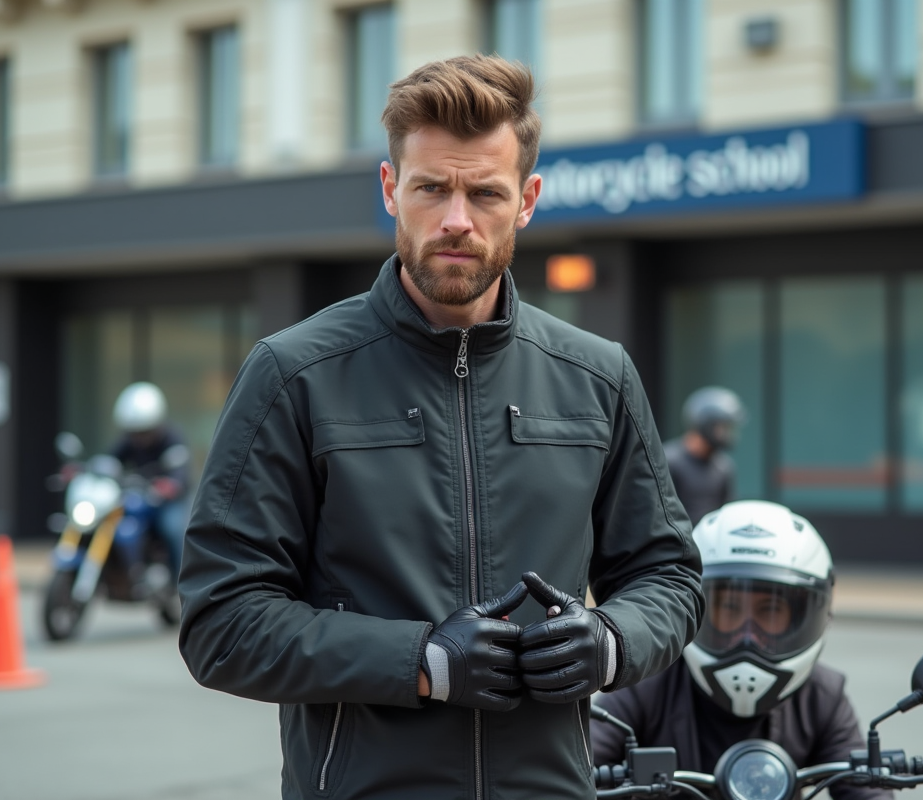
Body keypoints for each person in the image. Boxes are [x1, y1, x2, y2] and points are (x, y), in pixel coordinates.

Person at [177, 54, 704, 800]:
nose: (457, 220)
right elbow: (221, 623)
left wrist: (613, 641)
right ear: (391, 189)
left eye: (485, 192)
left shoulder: (598, 375)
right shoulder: (294, 374)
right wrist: (421, 661)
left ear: (527, 200)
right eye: (431, 188)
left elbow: (669, 575)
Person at [591, 500, 893, 800]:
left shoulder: (822, 696)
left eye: (770, 611)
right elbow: (583, 769)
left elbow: (868, 793)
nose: (748, 637)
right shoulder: (647, 683)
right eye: (730, 609)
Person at [109, 381, 190, 579]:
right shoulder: (129, 440)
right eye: (134, 432)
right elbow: (110, 459)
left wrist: (171, 485)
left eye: (144, 432)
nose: (138, 438)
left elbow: (180, 471)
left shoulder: (172, 437)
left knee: (172, 528)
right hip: (139, 496)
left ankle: (181, 580)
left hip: (168, 501)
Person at [663, 386, 745, 526]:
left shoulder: (723, 466)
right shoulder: (669, 461)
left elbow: (726, 514)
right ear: (706, 424)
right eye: (724, 427)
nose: (728, 434)